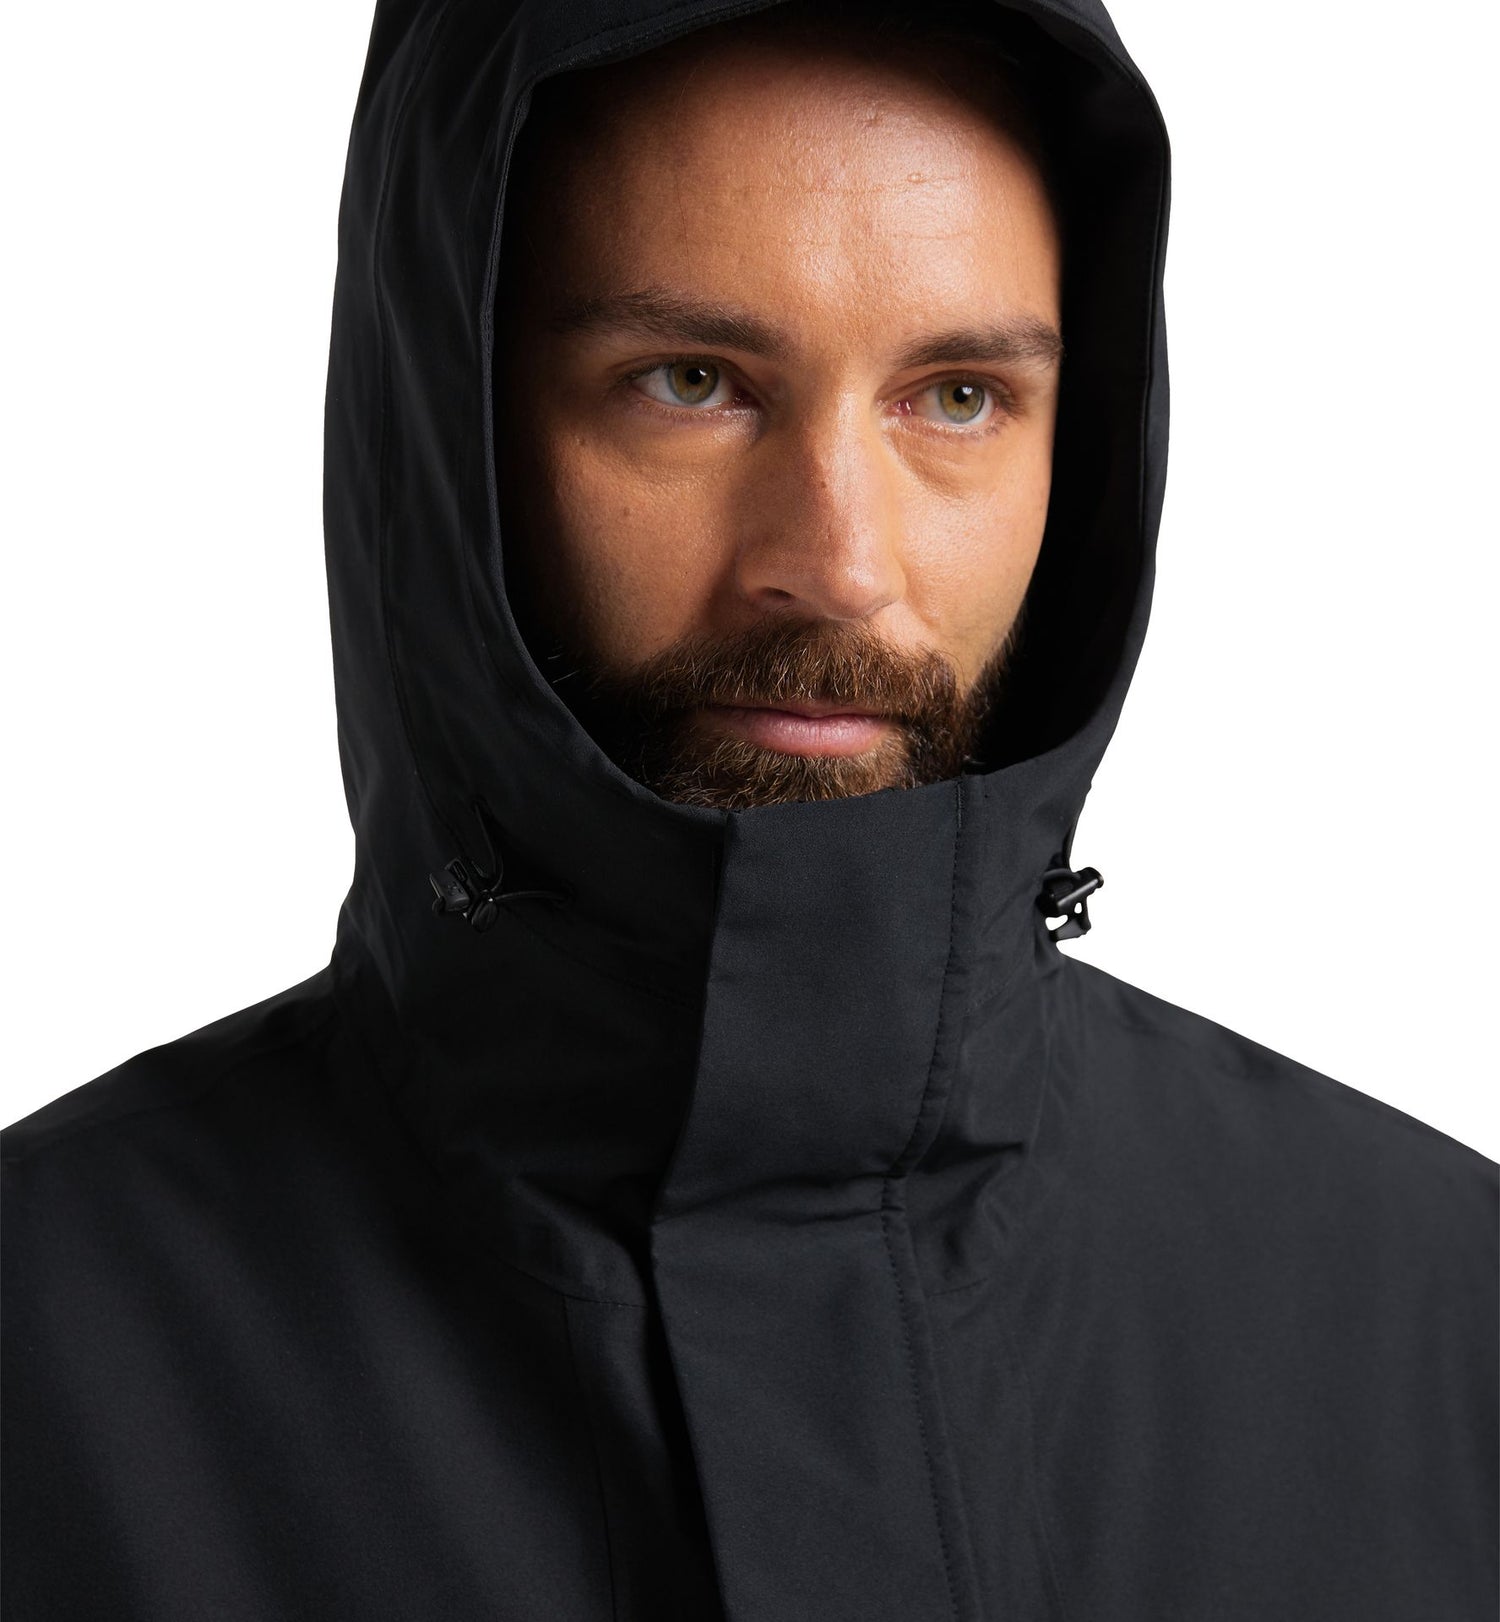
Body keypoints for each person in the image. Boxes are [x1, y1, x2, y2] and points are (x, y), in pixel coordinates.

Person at [2, 0, 1493, 1617]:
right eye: (691, 381)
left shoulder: (1439, 1316)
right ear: (447, 426)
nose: (838, 562)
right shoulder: (50, 1361)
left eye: (958, 397)